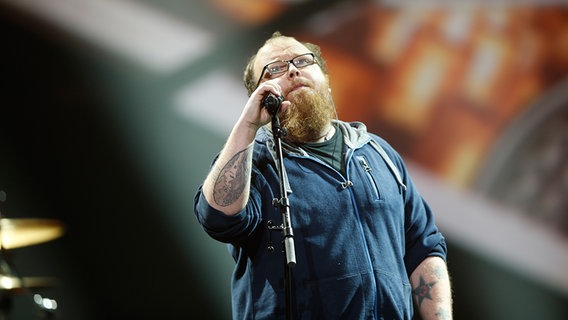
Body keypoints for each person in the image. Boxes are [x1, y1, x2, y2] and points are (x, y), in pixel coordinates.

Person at [194, 31, 452, 320]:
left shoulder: (379, 154)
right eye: (274, 69)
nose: (292, 69)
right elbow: (217, 218)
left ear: (326, 80)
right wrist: (248, 125)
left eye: (302, 61)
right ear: (259, 96)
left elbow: (423, 245)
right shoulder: (254, 161)